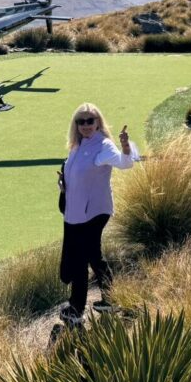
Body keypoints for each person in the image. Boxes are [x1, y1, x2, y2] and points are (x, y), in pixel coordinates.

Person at [56, 103, 134, 328]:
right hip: (76, 211)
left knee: (81, 258)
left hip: (94, 212)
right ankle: (110, 298)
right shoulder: (76, 146)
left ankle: (76, 308)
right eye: (81, 121)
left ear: (98, 122)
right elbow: (75, 174)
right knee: (93, 255)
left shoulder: (104, 145)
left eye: (90, 120)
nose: (85, 125)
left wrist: (126, 146)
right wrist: (64, 184)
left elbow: (124, 163)